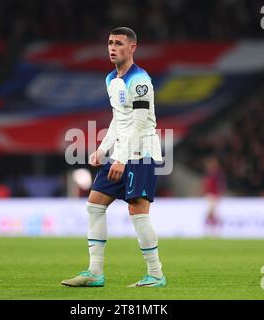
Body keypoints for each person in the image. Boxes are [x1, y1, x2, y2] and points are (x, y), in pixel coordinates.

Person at [61, 27, 166, 288]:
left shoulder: (140, 80)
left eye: (119, 43)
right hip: (121, 151)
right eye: (109, 42)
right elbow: (119, 120)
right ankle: (95, 272)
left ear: (132, 48)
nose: (112, 47)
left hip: (140, 152)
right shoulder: (111, 79)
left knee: (137, 212)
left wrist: (122, 158)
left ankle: (156, 274)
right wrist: (103, 148)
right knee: (94, 204)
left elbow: (140, 123)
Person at [202, 156, 226, 236]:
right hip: (210, 195)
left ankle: (212, 227)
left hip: (214, 195)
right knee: (212, 212)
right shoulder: (210, 174)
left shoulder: (217, 174)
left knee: (211, 212)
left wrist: (219, 194)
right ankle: (213, 228)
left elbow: (220, 185)